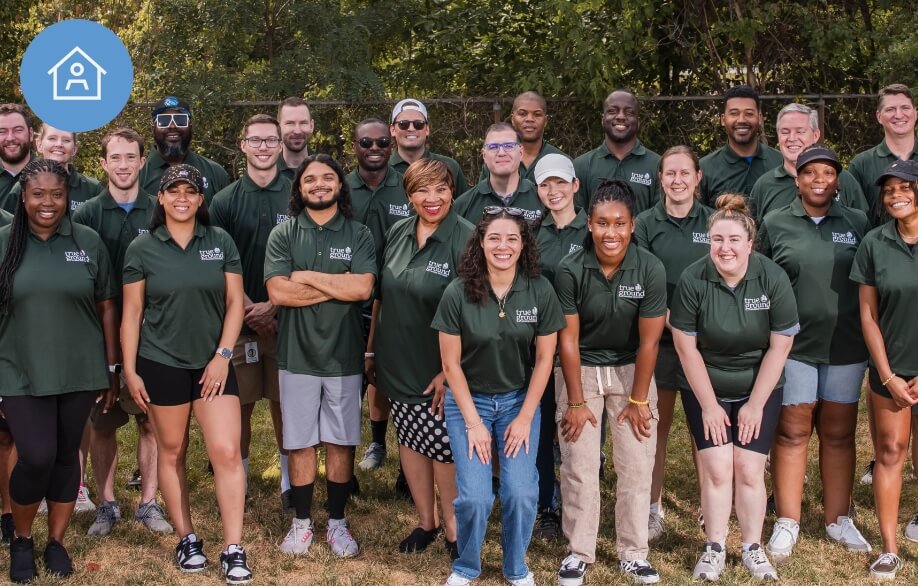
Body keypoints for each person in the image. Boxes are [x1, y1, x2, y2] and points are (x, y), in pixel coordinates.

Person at [121, 164, 251, 583]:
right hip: (160, 362)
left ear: (200, 199)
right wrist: (130, 370)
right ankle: (187, 538)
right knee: (172, 453)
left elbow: (235, 304)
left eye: (190, 192)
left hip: (212, 363)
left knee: (227, 451)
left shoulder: (220, 241)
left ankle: (233, 547)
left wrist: (223, 354)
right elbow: (132, 313)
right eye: (173, 191)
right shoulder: (142, 247)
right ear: (160, 198)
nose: (182, 198)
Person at [0, 159, 119, 582]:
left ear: (67, 197)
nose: (47, 203)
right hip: (19, 369)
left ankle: (56, 542)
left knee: (67, 455)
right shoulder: (4, 243)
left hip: (79, 369)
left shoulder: (86, 241)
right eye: (38, 194)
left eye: (57, 194)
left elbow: (107, 307)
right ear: (23, 198)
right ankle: (21, 538)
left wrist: (111, 368)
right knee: (36, 456)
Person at [433, 206, 564, 586]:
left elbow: (544, 360)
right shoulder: (458, 291)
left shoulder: (539, 289)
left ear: (523, 245)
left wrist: (524, 418)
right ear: (480, 243)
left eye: (511, 238)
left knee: (522, 492)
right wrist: (473, 423)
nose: (502, 246)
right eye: (494, 238)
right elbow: (450, 364)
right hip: (467, 402)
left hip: (517, 402)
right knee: (474, 498)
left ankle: (516, 568)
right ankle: (466, 566)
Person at [670, 194, 798, 582]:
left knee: (747, 467)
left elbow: (781, 345)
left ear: (749, 244)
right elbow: (685, 346)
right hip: (704, 384)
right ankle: (714, 547)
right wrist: (709, 406)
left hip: (758, 386)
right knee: (717, 468)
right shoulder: (694, 277)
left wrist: (755, 405)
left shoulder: (771, 276)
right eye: (717, 240)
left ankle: (752, 547)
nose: (724, 248)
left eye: (733, 240)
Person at [758, 145, 872, 561]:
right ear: (798, 179)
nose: (819, 179)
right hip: (793, 346)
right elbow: (762, 282)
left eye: (827, 172)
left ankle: (838, 518)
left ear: (837, 179)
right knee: (792, 432)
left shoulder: (858, 222)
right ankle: (788, 520)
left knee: (840, 433)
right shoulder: (775, 222)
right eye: (810, 173)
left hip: (846, 345)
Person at [553, 178, 666, 586]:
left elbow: (650, 340)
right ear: (589, 223)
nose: (611, 232)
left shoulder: (650, 267)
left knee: (636, 465)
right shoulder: (570, 268)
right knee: (580, 463)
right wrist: (577, 403)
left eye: (619, 223)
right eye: (602, 223)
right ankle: (579, 551)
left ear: (632, 225)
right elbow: (567, 339)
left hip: (630, 368)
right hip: (580, 367)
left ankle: (633, 552)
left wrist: (638, 401)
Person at [264, 154, 376, 558]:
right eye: (309, 179)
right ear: (299, 189)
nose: (319, 184)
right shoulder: (284, 234)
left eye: (328, 177)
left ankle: (338, 523)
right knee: (300, 443)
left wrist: (307, 276)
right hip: (296, 357)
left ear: (340, 186)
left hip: (344, 357)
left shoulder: (359, 233)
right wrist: (338, 285)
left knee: (341, 442)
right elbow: (278, 293)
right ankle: (301, 523)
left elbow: (363, 289)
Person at [366, 159, 473, 555]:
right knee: (410, 440)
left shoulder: (466, 239)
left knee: (443, 450)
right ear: (409, 195)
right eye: (422, 190)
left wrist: (451, 373)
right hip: (396, 360)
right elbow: (381, 297)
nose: (432, 199)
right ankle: (425, 522)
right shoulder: (397, 232)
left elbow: (475, 313)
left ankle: (453, 531)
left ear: (452, 191)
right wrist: (372, 348)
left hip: (437, 367)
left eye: (440, 189)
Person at [72, 128, 171, 537]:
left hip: (155, 335)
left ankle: (148, 502)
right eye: (116, 157)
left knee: (151, 420)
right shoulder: (87, 214)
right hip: (102, 336)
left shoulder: (161, 208)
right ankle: (107, 503)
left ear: (143, 160)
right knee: (103, 421)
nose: (124, 164)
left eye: (131, 157)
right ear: (103, 163)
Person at [210, 114, 292, 510]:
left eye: (269, 140)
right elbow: (218, 261)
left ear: (280, 145)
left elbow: (303, 257)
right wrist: (247, 309)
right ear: (242, 145)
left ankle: (291, 481)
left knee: (284, 401)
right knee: (238, 403)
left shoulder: (296, 195)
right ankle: (237, 479)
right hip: (236, 321)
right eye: (254, 140)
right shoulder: (224, 200)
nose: (262, 147)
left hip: (286, 318)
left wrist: (275, 303)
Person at [633, 146, 713, 541]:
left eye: (685, 173)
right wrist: (674, 325)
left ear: (698, 178)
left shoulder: (714, 221)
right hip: (661, 342)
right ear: (660, 179)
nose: (678, 180)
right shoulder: (646, 224)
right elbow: (645, 282)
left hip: (705, 344)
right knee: (655, 428)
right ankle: (651, 510)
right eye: (670, 174)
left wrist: (696, 330)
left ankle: (709, 508)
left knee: (705, 428)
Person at [849, 159, 918, 580]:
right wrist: (888, 375)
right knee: (890, 452)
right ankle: (890, 548)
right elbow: (868, 316)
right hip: (890, 370)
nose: (896, 194)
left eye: (905, 186)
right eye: (889, 189)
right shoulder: (874, 243)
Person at [346, 118, 408, 478]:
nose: (374, 149)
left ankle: (406, 466)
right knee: (350, 385)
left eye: (382, 143)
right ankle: (351, 466)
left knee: (396, 381)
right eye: (366, 143)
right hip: (349, 303)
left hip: (396, 302)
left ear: (391, 145)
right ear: (354, 146)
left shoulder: (407, 187)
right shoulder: (341, 189)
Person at [530, 153, 588, 541]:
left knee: (575, 428)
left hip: (586, 343)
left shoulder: (593, 228)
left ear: (575, 185)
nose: (554, 191)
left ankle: (579, 503)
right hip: (542, 344)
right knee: (542, 426)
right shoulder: (534, 233)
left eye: (560, 183)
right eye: (545, 185)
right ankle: (546, 507)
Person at [749, 103, 867, 225]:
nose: (792, 138)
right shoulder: (764, 186)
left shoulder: (843, 179)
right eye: (785, 132)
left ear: (816, 135)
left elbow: (862, 228)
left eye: (800, 131)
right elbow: (752, 235)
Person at [573, 89, 661, 213]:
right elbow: (578, 220)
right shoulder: (581, 165)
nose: (620, 116)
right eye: (612, 111)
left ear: (638, 121)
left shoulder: (658, 165)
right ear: (602, 119)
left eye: (629, 112)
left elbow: (659, 220)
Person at [699, 86, 782, 205]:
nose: (741, 120)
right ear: (723, 119)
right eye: (734, 114)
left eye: (749, 113)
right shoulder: (705, 168)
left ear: (759, 118)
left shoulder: (780, 162)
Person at [138, 96, 230, 204]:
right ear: (153, 128)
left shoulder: (215, 172)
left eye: (180, 120)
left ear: (190, 126)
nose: (172, 126)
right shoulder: (137, 174)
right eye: (164, 121)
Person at [848, 84, 917, 223]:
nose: (898, 115)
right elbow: (853, 217)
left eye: (905, 108)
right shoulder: (861, 164)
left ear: (915, 113)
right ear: (879, 116)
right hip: (878, 244)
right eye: (890, 109)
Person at [3, 123, 104, 214]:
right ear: (39, 145)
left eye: (66, 140)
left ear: (74, 149)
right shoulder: (22, 185)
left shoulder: (93, 189)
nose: (59, 144)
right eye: (52, 138)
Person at [454, 123, 542, 222]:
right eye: (493, 147)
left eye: (509, 146)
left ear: (521, 153)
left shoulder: (541, 199)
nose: (501, 153)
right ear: (484, 155)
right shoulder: (463, 205)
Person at [480, 91, 568, 184]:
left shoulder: (560, 160)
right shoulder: (497, 159)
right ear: (512, 119)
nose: (529, 119)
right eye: (522, 114)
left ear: (545, 121)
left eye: (537, 114)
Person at [389, 98, 468, 195]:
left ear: (427, 129)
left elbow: (463, 208)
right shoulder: (382, 169)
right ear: (392, 129)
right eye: (403, 124)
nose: (411, 128)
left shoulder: (450, 166)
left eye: (418, 124)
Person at [0, 104, 33, 206]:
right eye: (2, 131)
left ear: (30, 134)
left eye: (18, 130)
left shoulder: (50, 174)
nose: (10, 138)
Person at [277, 97, 315, 181]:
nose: (297, 131)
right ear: (278, 127)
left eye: (303, 123)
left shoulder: (328, 169)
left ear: (311, 126)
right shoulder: (266, 173)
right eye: (290, 123)